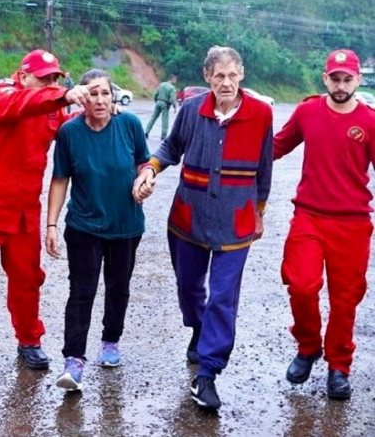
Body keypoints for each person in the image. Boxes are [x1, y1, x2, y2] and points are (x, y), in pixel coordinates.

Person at [0, 49, 102, 399]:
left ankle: (29, 339)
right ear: (22, 75)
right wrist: (61, 95)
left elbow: (74, 129)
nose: (50, 83)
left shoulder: (51, 112)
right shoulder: (0, 97)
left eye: (55, 78)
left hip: (23, 212)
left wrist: (101, 113)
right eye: (43, 77)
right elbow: (24, 104)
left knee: (28, 281)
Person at [133, 46, 273, 410]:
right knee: (188, 287)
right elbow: (170, 147)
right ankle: (197, 327)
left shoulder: (261, 114)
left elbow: (264, 168)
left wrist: (259, 210)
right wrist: (149, 169)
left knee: (223, 297)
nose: (226, 82)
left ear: (241, 74)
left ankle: (208, 372)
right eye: (218, 76)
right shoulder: (193, 110)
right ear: (208, 77)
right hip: (188, 219)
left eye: (232, 75)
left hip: (235, 223)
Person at [274, 49, 375, 401]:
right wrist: (231, 148)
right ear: (325, 78)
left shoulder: (370, 120)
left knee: (345, 300)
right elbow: (275, 147)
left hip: (353, 223)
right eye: (336, 78)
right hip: (309, 217)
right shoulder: (307, 111)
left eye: (348, 79)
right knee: (301, 285)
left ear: (358, 79)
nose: (341, 85)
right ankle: (308, 346)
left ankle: (339, 366)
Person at [45, 69, 152, 392]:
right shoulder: (69, 132)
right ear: (81, 97)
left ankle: (110, 340)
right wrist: (50, 223)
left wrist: (145, 180)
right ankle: (73, 360)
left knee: (118, 287)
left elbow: (144, 164)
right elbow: (60, 179)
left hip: (126, 225)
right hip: (84, 226)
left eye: (105, 93)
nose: (100, 100)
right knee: (81, 292)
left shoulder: (130, 124)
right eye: (93, 93)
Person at [145, 75, 178, 139]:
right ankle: (163, 135)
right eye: (175, 80)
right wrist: (174, 106)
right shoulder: (172, 88)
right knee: (165, 120)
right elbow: (172, 99)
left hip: (158, 102)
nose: (176, 82)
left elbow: (155, 94)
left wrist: (156, 101)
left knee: (153, 118)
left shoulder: (161, 84)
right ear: (173, 79)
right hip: (165, 104)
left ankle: (146, 131)